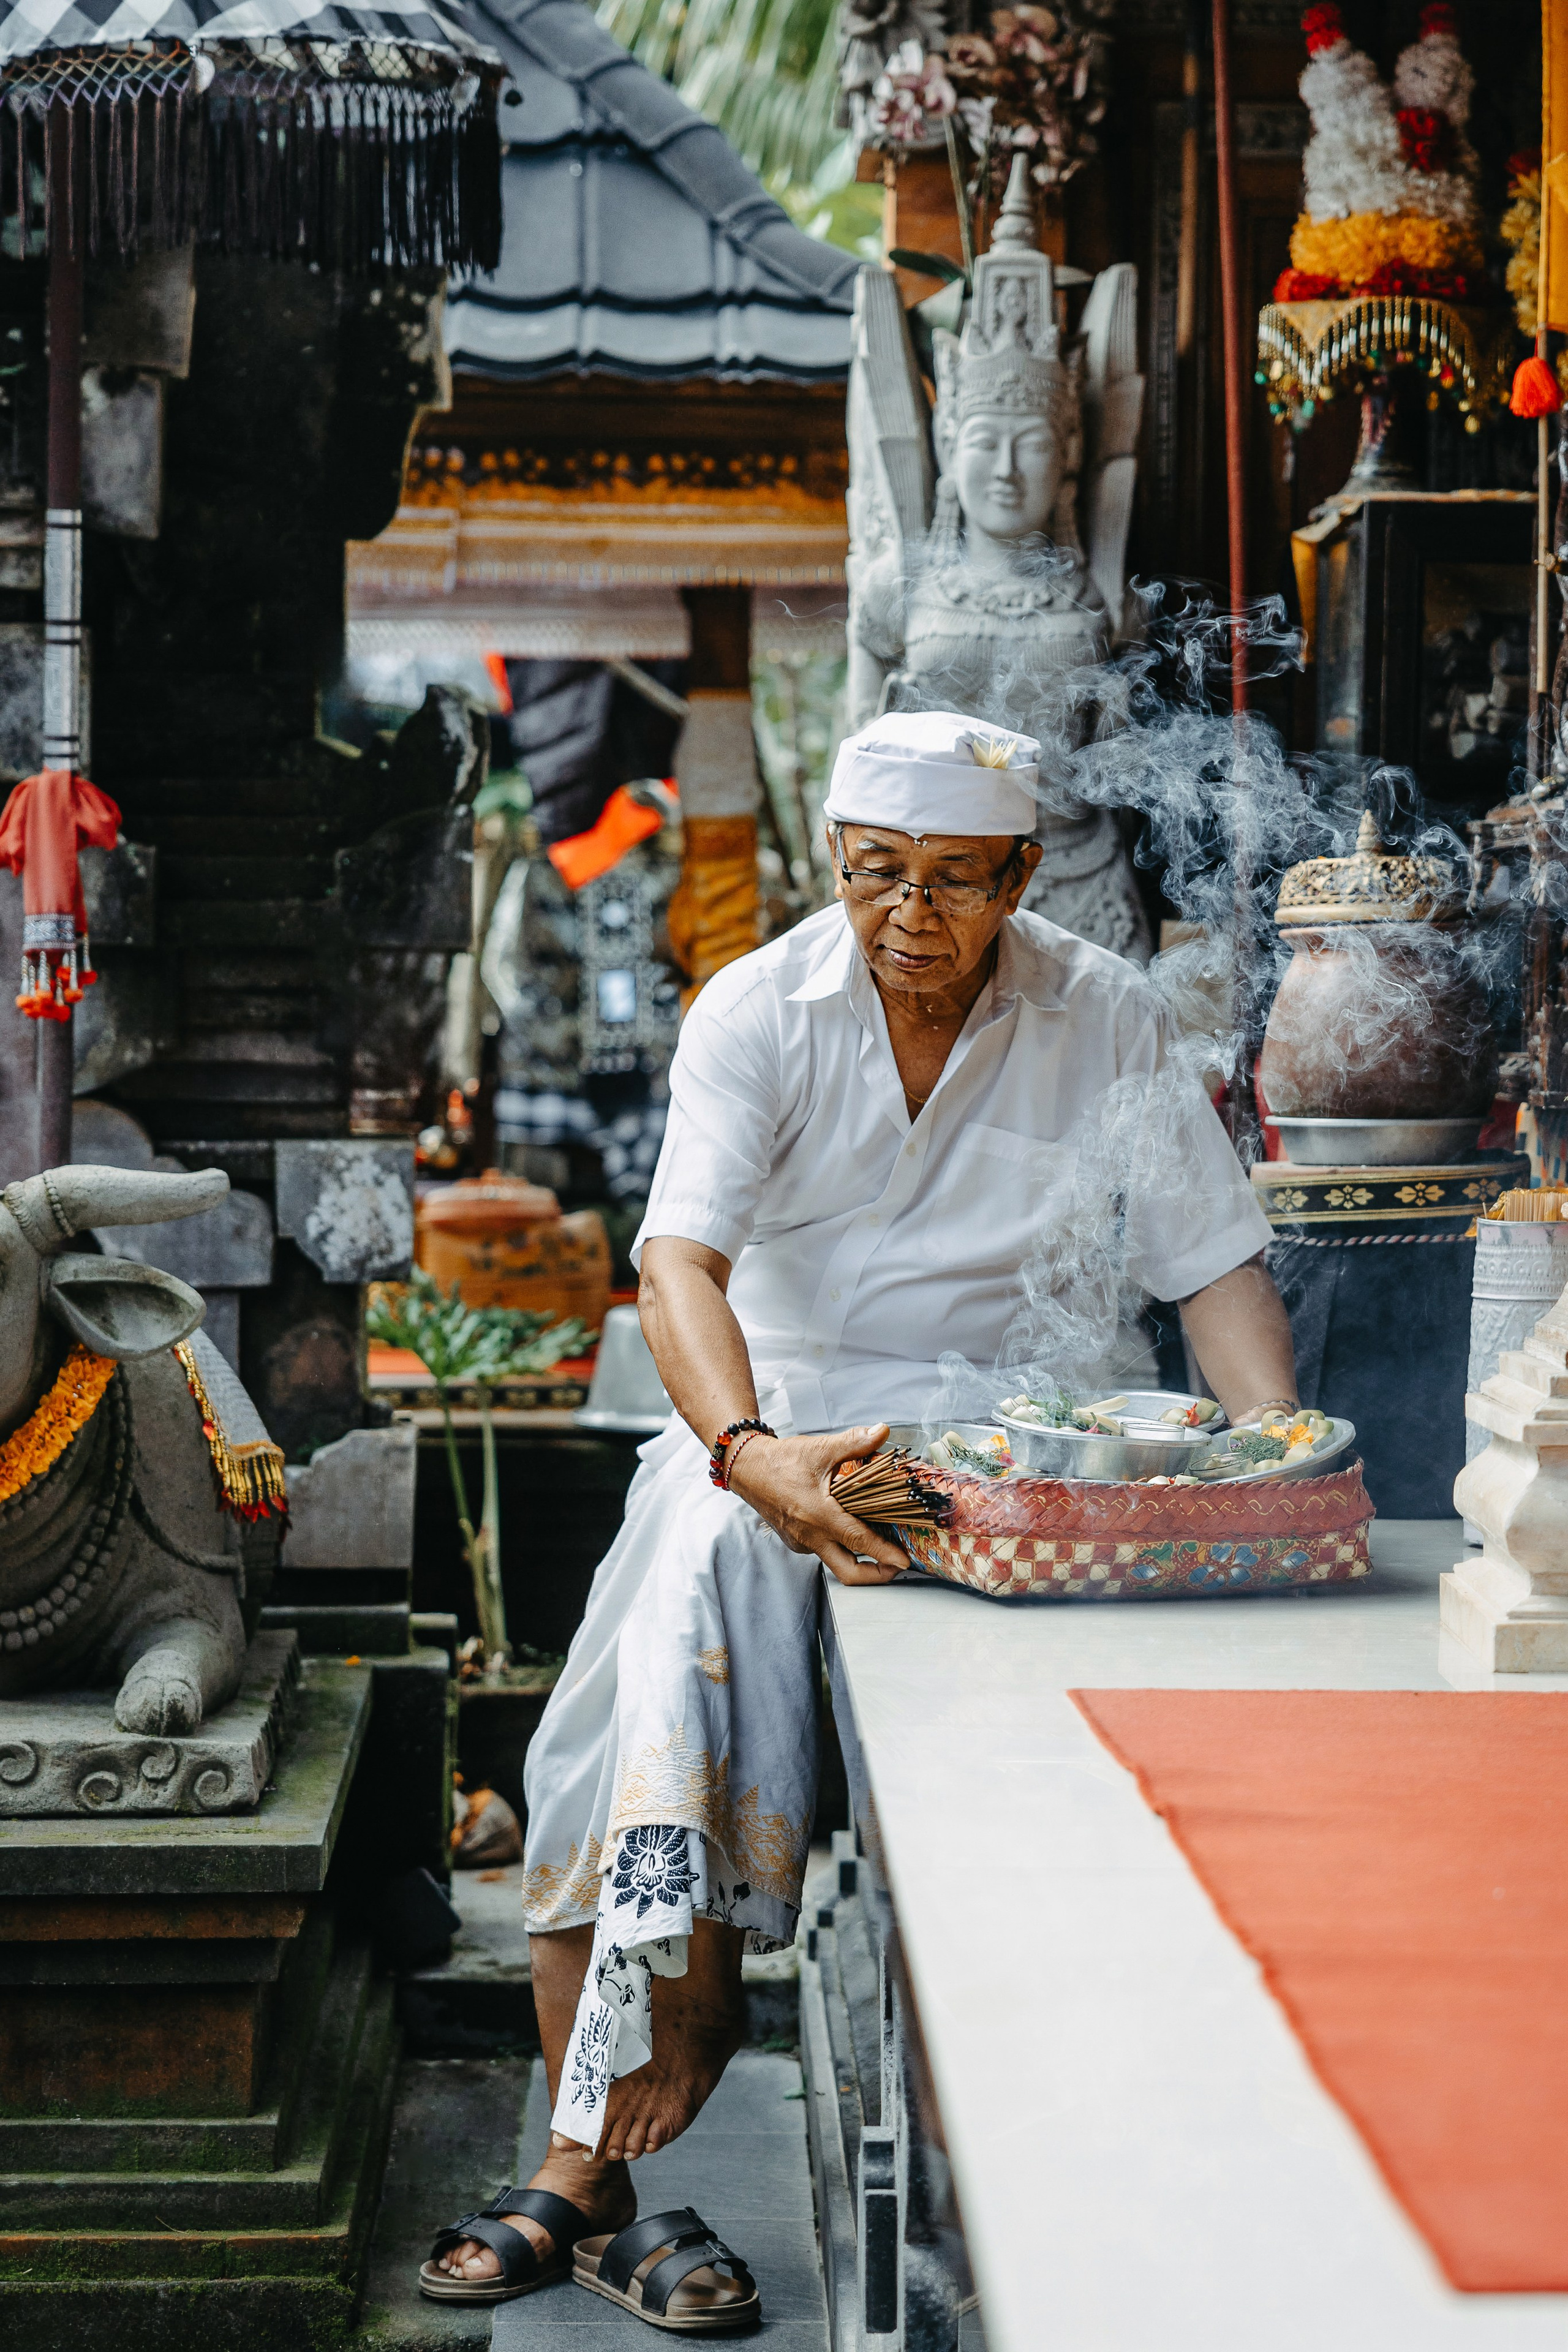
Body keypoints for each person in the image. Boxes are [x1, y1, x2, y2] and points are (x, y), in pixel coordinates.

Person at [420, 710, 1298, 2328]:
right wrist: (752, 1454)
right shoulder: (760, 1007)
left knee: (1072, 1774)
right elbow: (679, 1264)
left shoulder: (1102, 1013)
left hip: (1028, 1432)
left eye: (956, 881)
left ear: (1025, 877)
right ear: (834, 860)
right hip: (779, 1415)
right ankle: (587, 2159)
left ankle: (1076, 2127)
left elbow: (1212, 1268)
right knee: (617, 1713)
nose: (908, 911)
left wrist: (1275, 1461)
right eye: (876, 872)